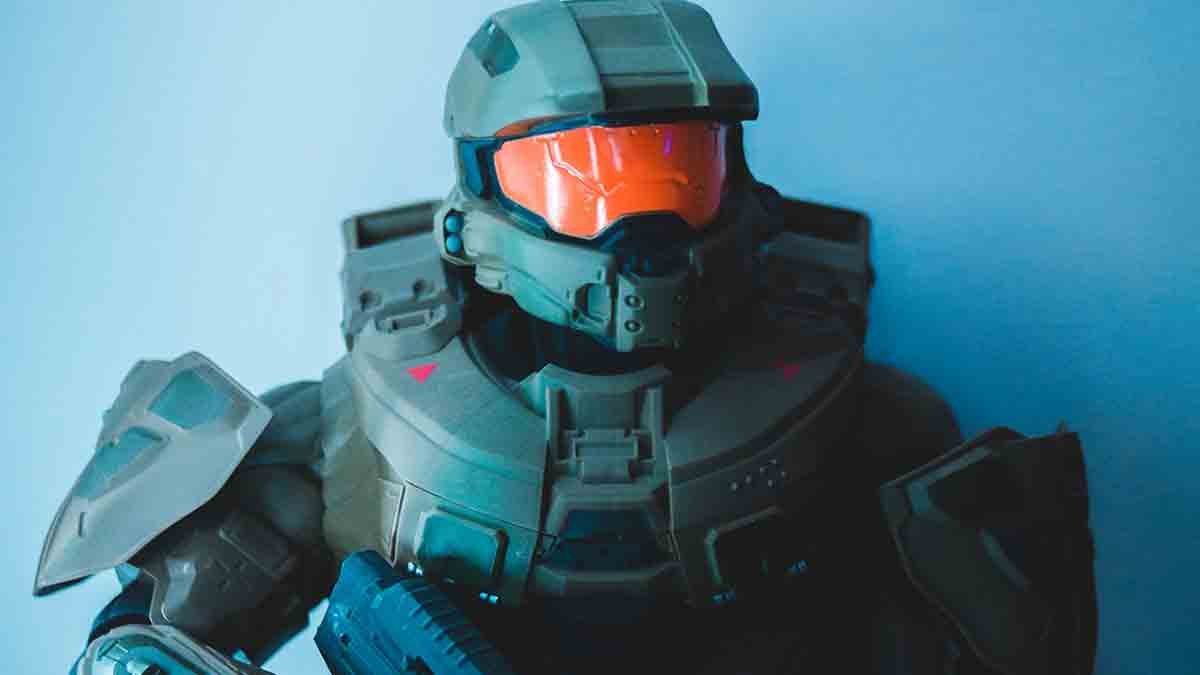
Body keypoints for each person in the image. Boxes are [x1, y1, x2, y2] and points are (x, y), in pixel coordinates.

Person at [36, 1, 1097, 673]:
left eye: (679, 164)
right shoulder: (372, 406)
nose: (640, 215)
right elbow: (151, 636)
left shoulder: (844, 397)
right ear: (481, 195)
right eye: (584, 176)